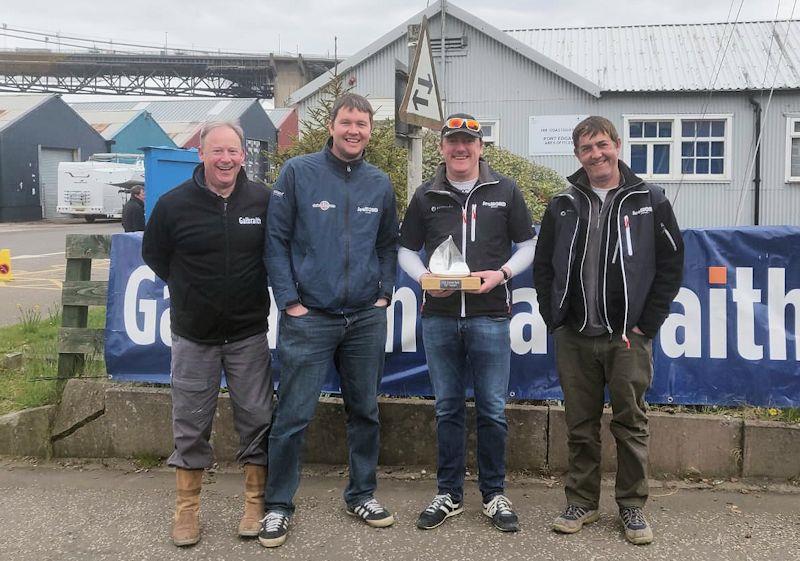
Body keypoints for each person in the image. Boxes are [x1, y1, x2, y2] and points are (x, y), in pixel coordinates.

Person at [533, 116, 684, 545]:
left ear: (617, 145)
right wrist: (554, 318)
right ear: (577, 155)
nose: (596, 154)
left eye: (602, 144)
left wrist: (646, 324)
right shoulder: (562, 203)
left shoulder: (649, 200)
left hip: (627, 339)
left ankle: (633, 507)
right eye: (586, 148)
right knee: (579, 424)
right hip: (575, 336)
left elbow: (671, 266)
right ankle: (581, 500)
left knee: (630, 423)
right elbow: (544, 266)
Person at [259, 93, 399, 548]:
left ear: (370, 131)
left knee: (365, 411)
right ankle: (278, 506)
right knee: (293, 415)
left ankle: (362, 494)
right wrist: (288, 301)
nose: (353, 130)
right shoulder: (298, 172)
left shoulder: (380, 183)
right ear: (332, 126)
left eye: (362, 123)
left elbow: (388, 245)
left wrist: (383, 294)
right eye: (346, 122)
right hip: (309, 317)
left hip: (364, 317)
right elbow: (275, 242)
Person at [398, 114, 535, 533]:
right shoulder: (426, 195)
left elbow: (528, 244)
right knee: (447, 408)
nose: (461, 149)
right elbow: (405, 249)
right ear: (442, 147)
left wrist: (503, 275)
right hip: (439, 317)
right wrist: (423, 279)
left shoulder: (505, 191)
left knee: (493, 410)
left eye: (468, 142)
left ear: (480, 148)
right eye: (453, 141)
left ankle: (494, 494)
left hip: (490, 314)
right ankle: (449, 494)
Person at [142, 121, 273, 547]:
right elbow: (155, 256)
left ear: (243, 155)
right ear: (201, 154)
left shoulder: (263, 200)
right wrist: (191, 293)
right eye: (217, 151)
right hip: (193, 335)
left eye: (233, 151)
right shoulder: (173, 205)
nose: (226, 159)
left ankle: (255, 503)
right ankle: (187, 511)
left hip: (249, 333)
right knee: (190, 423)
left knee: (256, 419)